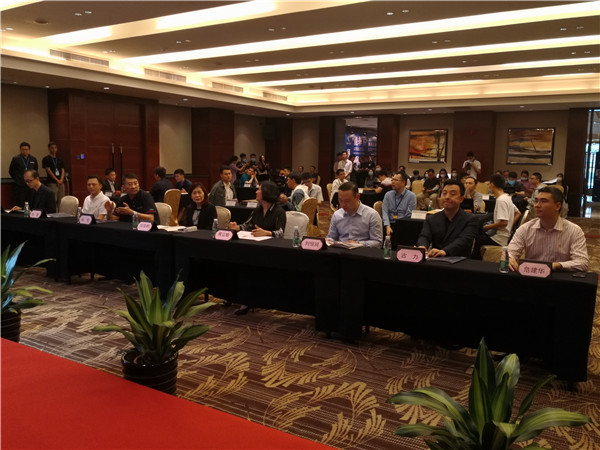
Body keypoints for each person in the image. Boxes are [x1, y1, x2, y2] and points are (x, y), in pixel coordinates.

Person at [229, 181, 287, 315]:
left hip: (271, 250)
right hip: (255, 247)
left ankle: (250, 300)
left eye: (259, 189)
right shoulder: (258, 209)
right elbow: (247, 225)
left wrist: (267, 233)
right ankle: (237, 298)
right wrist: (237, 227)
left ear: (267, 192)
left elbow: (280, 233)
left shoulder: (279, 211)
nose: (256, 192)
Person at [508, 187, 589, 272]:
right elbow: (510, 253)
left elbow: (582, 263)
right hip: (533, 276)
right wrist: (510, 258)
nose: (537, 205)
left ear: (557, 206)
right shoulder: (525, 228)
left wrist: (555, 265)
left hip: (559, 276)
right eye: (536, 201)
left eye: (543, 201)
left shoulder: (574, 231)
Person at [416, 179, 479, 258]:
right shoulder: (431, 218)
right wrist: (422, 247)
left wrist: (444, 251)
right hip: (436, 260)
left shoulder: (471, 219)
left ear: (461, 199)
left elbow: (463, 240)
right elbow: (424, 236)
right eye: (444, 193)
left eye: (452, 194)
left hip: (460, 261)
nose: (447, 197)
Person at [472, 174, 521, 259]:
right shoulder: (507, 197)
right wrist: (510, 226)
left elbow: (504, 223)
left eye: (489, 184)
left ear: (492, 184)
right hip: (504, 236)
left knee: (474, 239)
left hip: (498, 238)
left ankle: (476, 263)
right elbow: (518, 213)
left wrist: (488, 226)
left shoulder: (501, 200)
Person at [326, 181, 383, 248]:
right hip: (341, 251)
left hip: (362, 252)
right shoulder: (337, 215)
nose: (343, 205)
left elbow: (378, 242)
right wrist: (329, 240)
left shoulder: (372, 215)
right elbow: (332, 237)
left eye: (347, 201)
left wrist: (358, 243)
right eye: (340, 200)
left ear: (357, 197)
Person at [382, 172, 417, 237]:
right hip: (389, 223)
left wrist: (400, 225)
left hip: (403, 224)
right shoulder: (388, 195)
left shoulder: (411, 196)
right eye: (392, 179)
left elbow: (409, 214)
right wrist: (387, 226)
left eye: (396, 180)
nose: (393, 182)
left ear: (403, 183)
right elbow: (385, 212)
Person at [9, 141, 39, 207]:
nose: (24, 151)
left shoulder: (33, 159)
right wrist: (18, 178)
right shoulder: (16, 159)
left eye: (26, 149)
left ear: (29, 150)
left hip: (31, 185)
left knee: (31, 202)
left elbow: (35, 170)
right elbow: (11, 171)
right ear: (20, 150)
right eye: (23, 149)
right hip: (20, 185)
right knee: (20, 203)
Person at [41, 141, 65, 207]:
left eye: (55, 148)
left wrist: (61, 180)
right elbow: (49, 171)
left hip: (61, 182)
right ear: (49, 149)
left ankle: (61, 212)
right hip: (52, 182)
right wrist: (57, 180)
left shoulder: (60, 159)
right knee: (53, 199)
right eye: (52, 148)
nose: (54, 149)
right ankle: (54, 212)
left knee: (61, 200)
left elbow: (62, 170)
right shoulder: (46, 159)